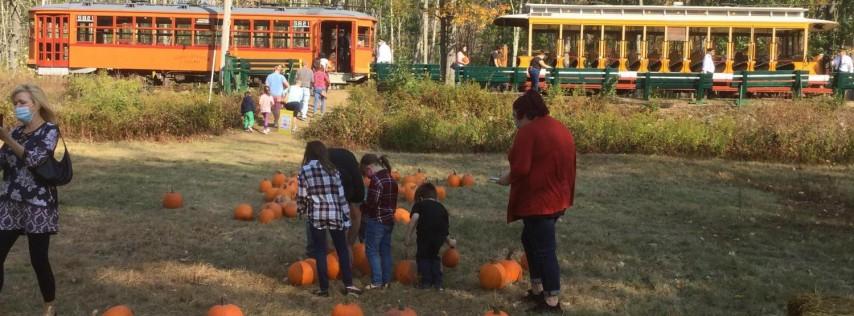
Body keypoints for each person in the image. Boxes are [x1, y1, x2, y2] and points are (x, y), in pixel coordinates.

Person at [495, 91, 576, 313]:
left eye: (515, 117)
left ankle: (551, 300)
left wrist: (505, 179)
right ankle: (537, 288)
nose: (515, 123)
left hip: (540, 200)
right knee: (529, 239)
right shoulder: (559, 127)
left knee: (544, 249)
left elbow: (520, 168)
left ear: (525, 114)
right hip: (558, 197)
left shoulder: (529, 132)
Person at [0, 84, 62, 316]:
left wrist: (7, 138)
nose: (18, 107)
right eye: (15, 104)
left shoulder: (50, 131)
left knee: (38, 259)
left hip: (37, 204)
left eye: (22, 103)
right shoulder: (14, 132)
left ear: (36, 104)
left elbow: (35, 160)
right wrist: (4, 140)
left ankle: (49, 306)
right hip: (10, 202)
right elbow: (3, 163)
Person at [296, 141, 362, 297]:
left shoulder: (305, 170)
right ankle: (349, 285)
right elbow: (340, 196)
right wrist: (345, 216)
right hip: (335, 214)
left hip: (316, 215)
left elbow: (302, 194)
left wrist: (301, 209)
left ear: (308, 153)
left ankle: (324, 288)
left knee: (320, 251)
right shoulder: (333, 171)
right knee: (341, 249)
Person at [404, 183, 455, 291]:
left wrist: (408, 235)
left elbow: (415, 218)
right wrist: (449, 241)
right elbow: (444, 228)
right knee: (435, 256)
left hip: (425, 235)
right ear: (436, 197)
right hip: (439, 237)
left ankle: (426, 282)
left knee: (423, 257)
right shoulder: (442, 208)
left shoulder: (420, 205)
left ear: (421, 198)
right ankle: (438, 283)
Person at [359, 154, 397, 290]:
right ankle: (386, 281)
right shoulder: (391, 179)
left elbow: (372, 203)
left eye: (366, 173)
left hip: (376, 222)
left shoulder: (376, 181)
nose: (367, 177)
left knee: (372, 250)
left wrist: (361, 207)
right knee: (385, 251)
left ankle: (376, 281)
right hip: (389, 221)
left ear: (369, 168)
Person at [264, 65, 288, 129]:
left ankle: (266, 123)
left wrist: (267, 94)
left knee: (269, 109)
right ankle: (276, 122)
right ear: (280, 70)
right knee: (277, 110)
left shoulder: (269, 76)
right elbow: (288, 86)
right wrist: (284, 92)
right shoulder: (281, 77)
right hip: (279, 96)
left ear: (274, 69)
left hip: (270, 95)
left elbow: (266, 87)